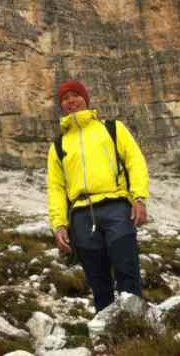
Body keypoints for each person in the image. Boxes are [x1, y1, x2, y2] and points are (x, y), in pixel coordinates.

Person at [47, 79, 149, 311]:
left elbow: (136, 162)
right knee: (98, 281)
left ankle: (137, 330)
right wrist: (59, 224)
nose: (70, 101)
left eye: (75, 95)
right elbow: (56, 187)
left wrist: (139, 198)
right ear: (61, 105)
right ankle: (108, 336)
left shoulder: (112, 128)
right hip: (81, 216)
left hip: (117, 207)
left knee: (127, 270)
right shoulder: (58, 145)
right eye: (64, 98)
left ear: (85, 98)